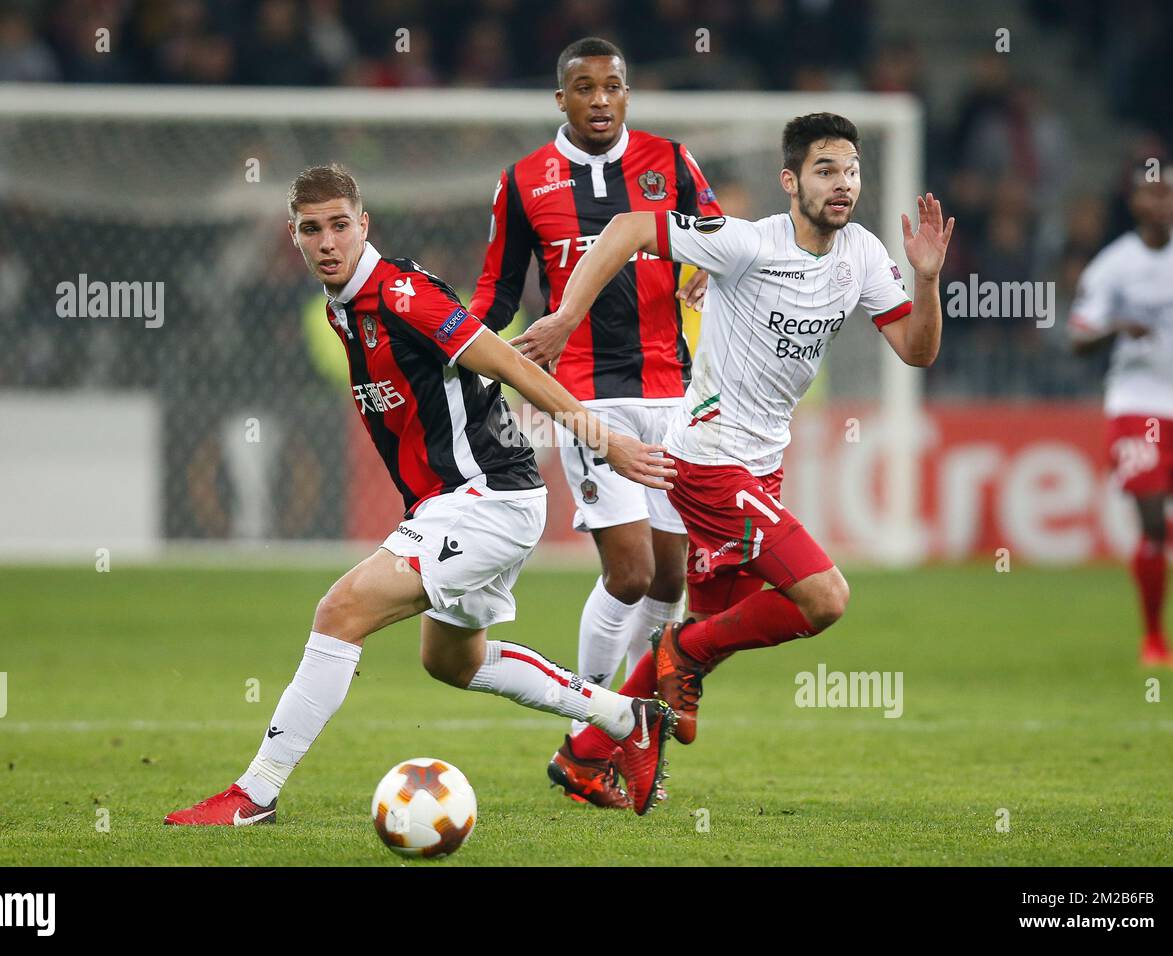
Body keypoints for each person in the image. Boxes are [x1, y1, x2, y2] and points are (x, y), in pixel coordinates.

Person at [165, 163, 678, 823]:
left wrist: (605, 440)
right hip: (458, 500)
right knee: (453, 661)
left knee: (340, 610)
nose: (326, 241)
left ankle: (253, 793)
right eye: (310, 229)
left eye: (339, 226)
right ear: (293, 237)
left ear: (363, 226)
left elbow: (511, 364)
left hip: (489, 494)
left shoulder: (402, 294)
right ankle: (624, 718)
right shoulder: (341, 307)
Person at [516, 112, 953, 751]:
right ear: (790, 180)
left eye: (852, 171)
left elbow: (917, 351)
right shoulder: (747, 243)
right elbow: (629, 227)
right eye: (825, 170)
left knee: (713, 622)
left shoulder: (860, 252)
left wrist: (928, 277)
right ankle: (676, 655)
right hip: (711, 462)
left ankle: (586, 756)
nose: (843, 184)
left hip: (761, 467)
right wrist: (562, 318)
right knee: (824, 599)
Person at [470, 36, 720, 808]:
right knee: (632, 572)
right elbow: (497, 292)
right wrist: (457, 346)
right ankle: (596, 726)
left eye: (613, 85)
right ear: (562, 100)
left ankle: (617, 733)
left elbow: (716, 235)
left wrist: (710, 266)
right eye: (585, 87)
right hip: (584, 398)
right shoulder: (524, 183)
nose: (601, 99)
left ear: (627, 92)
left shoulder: (671, 161)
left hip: (671, 393)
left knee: (675, 576)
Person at [1069, 166, 1173, 667]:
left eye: (1169, 193)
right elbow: (1079, 339)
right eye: (1152, 195)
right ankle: (1155, 640)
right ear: (1136, 205)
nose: (1162, 203)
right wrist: (1117, 328)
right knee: (1151, 525)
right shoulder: (1114, 266)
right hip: (1138, 403)